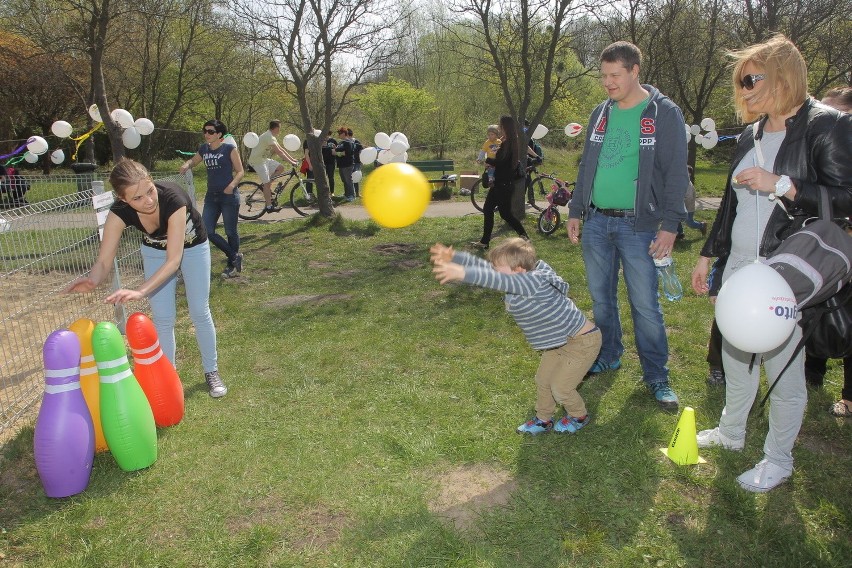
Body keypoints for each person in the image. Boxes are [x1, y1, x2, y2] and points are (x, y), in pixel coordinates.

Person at [690, 35, 852, 492]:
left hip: (788, 271)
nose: (742, 89)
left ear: (783, 75)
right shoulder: (750, 133)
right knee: (736, 354)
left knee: (782, 368)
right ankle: (732, 430)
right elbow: (731, 204)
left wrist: (782, 184)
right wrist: (709, 256)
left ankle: (778, 459)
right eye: (739, 81)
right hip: (742, 266)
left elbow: (846, 201)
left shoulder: (828, 127)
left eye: (750, 78)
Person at [565, 41, 687, 410]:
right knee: (602, 301)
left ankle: (656, 376)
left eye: (614, 75)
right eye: (603, 75)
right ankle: (610, 354)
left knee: (644, 305)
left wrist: (670, 224)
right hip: (598, 221)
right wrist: (575, 209)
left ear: (635, 71)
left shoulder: (663, 113)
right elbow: (588, 164)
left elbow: (676, 172)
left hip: (641, 225)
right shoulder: (600, 113)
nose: (607, 83)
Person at [65, 158, 227, 398]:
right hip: (154, 251)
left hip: (192, 248)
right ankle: (169, 379)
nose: (148, 201)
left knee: (199, 311)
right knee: (163, 318)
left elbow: (174, 260)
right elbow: (103, 261)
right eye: (137, 198)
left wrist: (141, 291)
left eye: (149, 191)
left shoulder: (174, 198)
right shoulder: (119, 213)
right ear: (123, 200)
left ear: (152, 181)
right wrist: (92, 280)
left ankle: (211, 371)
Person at [430, 238, 601, 434]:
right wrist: (456, 257)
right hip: (559, 343)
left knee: (561, 388)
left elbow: (496, 279)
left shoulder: (533, 282)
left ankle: (578, 416)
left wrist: (463, 274)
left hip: (582, 343)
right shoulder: (517, 278)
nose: (494, 271)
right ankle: (543, 419)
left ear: (519, 270)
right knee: (543, 381)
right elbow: (488, 270)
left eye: (499, 267)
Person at [804, 85, 852, 417]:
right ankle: (812, 373)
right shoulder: (822, 144)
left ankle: (849, 394)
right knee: (817, 303)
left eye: (837, 112)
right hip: (825, 240)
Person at [180, 119, 245, 279]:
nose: (206, 134)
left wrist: (232, 186)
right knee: (207, 230)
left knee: (230, 231)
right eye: (205, 131)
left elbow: (240, 171)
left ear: (219, 134)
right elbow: (193, 161)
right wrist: (187, 164)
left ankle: (231, 265)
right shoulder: (204, 149)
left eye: (210, 131)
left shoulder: (229, 149)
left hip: (229, 195)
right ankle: (235, 256)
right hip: (211, 196)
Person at [471, 115, 530, 249]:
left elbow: (502, 163)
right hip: (506, 184)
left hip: (502, 184)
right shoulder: (510, 142)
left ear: (505, 127)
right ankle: (524, 235)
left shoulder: (508, 143)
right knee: (505, 213)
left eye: (501, 126)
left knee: (488, 209)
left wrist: (489, 161)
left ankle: (485, 242)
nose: (499, 128)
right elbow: (504, 161)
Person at [247, 120, 299, 213]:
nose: (280, 130)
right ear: (276, 128)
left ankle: (267, 187)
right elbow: (279, 152)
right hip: (257, 161)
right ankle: (269, 207)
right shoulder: (268, 136)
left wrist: (292, 159)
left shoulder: (272, 136)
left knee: (280, 168)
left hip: (263, 159)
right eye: (279, 128)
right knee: (266, 184)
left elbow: (281, 149)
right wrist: (291, 162)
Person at [676, 165, 707, 239]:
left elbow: (689, 197)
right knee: (676, 218)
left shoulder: (688, 184)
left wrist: (681, 200)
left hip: (688, 206)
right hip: (681, 205)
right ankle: (680, 233)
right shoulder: (681, 181)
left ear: (689, 174)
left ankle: (702, 225)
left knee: (689, 222)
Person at [476, 124, 501, 188]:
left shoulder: (499, 142)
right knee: (490, 169)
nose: (490, 136)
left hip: (498, 161)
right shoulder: (487, 142)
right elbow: (483, 151)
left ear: (496, 135)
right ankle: (490, 180)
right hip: (490, 161)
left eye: (492, 134)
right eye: (489, 135)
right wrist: (479, 158)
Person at [335, 126, 356, 201]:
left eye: (340, 133)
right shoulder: (341, 142)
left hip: (348, 164)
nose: (339, 135)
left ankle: (351, 195)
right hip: (341, 164)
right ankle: (346, 194)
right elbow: (337, 150)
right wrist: (338, 152)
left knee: (348, 180)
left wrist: (337, 153)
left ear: (344, 133)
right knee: (344, 180)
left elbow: (347, 153)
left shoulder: (348, 142)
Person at [322, 131, 337, 196]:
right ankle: (324, 192)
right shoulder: (320, 140)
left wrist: (335, 148)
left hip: (331, 162)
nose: (326, 137)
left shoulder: (333, 141)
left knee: (331, 177)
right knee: (323, 178)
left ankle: (332, 192)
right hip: (322, 162)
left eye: (327, 135)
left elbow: (336, 151)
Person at [349, 128, 363, 197]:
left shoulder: (357, 142)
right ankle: (350, 192)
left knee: (356, 177)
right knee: (349, 178)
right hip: (349, 162)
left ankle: (357, 193)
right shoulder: (345, 142)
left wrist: (361, 161)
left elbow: (361, 152)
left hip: (357, 162)